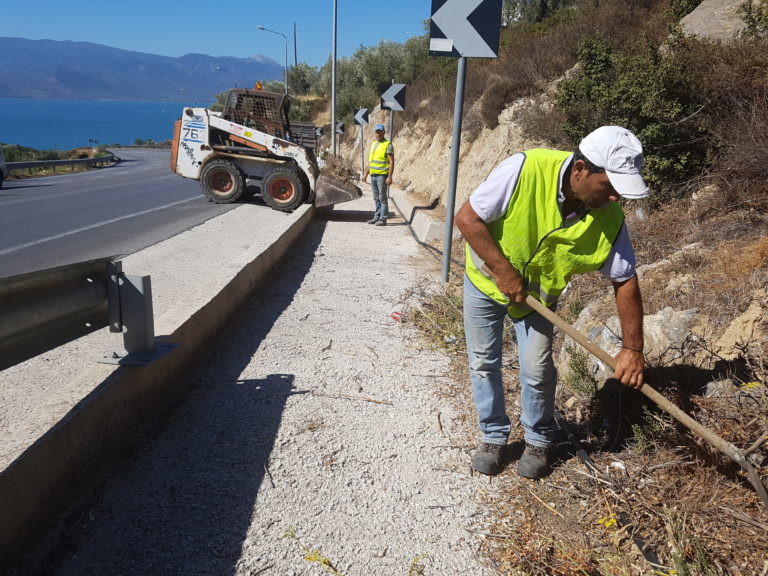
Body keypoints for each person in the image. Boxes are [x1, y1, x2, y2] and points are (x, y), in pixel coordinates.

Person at [455, 126, 648, 479]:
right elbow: (467, 219)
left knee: (538, 370)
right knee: (483, 361)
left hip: (536, 300)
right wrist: (503, 271)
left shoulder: (610, 215)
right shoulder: (525, 169)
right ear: (580, 170)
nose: (616, 198)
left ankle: (539, 441)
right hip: (484, 282)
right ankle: (493, 437)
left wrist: (633, 348)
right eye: (609, 186)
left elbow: (624, 279)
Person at [362, 123, 394, 226]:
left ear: (384, 132)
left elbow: (391, 162)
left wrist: (390, 176)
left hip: (382, 176)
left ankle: (383, 219)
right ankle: (376, 217)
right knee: (376, 198)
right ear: (375, 133)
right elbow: (371, 162)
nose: (378, 134)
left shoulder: (387, 144)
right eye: (377, 131)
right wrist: (365, 174)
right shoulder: (374, 144)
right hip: (373, 175)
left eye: (380, 131)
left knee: (382, 198)